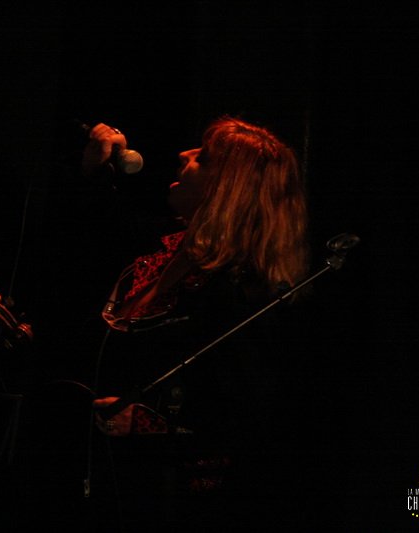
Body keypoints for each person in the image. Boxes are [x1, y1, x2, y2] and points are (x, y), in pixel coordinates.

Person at [81, 117, 311, 531]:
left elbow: (250, 417)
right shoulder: (167, 250)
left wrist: (149, 422)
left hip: (178, 501)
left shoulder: (240, 290)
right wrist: (97, 169)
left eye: (202, 158)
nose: (183, 155)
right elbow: (95, 234)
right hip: (108, 479)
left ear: (227, 188)